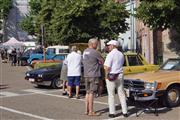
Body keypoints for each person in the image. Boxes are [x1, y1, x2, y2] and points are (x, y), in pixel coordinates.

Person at [104, 40, 128, 118]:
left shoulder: (110, 54)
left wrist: (106, 76)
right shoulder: (121, 54)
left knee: (111, 95)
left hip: (111, 75)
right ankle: (125, 112)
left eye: (109, 45)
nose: (108, 46)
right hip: (120, 74)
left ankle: (112, 113)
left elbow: (107, 67)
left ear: (113, 46)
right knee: (121, 93)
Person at [82, 38, 104, 116]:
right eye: (96, 44)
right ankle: (91, 111)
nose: (97, 45)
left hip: (86, 74)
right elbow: (102, 61)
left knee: (87, 92)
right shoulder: (95, 52)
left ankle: (86, 110)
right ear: (93, 44)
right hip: (93, 75)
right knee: (92, 93)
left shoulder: (85, 51)